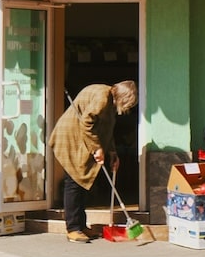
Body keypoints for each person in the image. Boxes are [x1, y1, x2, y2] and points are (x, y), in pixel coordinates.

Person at [48, 80, 138, 243]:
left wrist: (112, 152)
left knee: (81, 184)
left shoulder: (110, 101)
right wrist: (97, 148)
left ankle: (81, 225)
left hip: (81, 140)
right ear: (124, 98)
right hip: (70, 137)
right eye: (129, 104)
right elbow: (87, 123)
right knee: (74, 182)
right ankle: (73, 228)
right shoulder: (103, 98)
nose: (127, 109)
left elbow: (106, 129)